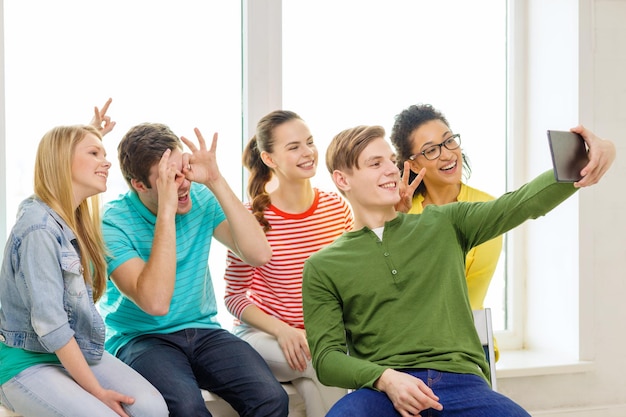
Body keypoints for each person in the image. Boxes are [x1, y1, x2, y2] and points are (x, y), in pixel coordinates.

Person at [302, 124, 615, 417]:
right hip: (381, 392)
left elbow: (520, 204)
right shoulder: (323, 265)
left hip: (462, 385)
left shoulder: (442, 223)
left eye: (392, 160)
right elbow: (327, 359)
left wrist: (586, 159)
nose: (390, 170)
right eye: (375, 163)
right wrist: (385, 378)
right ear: (343, 180)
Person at [97, 122, 289, 417]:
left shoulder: (200, 197)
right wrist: (167, 211)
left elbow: (259, 254)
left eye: (183, 170)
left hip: (204, 329)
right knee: (187, 407)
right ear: (140, 185)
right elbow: (155, 303)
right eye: (169, 178)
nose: (184, 183)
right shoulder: (112, 222)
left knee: (271, 398)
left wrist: (215, 180)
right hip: (140, 338)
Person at [0, 116, 168, 416]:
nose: (106, 162)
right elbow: (52, 328)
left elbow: (65, 158)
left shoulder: (69, 219)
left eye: (103, 154)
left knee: (153, 409)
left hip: (72, 349)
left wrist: (90, 137)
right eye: (94, 153)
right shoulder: (38, 229)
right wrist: (97, 392)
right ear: (63, 161)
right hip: (26, 359)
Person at [224, 110, 354, 417]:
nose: (308, 152)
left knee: (311, 383)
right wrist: (283, 330)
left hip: (317, 338)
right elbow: (234, 297)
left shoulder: (337, 208)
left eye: (309, 142)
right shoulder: (250, 219)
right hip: (264, 337)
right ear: (269, 159)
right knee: (321, 361)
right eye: (294, 147)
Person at [389, 104, 502, 314]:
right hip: (409, 339)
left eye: (449, 141)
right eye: (431, 150)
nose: (447, 154)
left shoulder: (486, 208)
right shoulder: (401, 213)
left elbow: (468, 294)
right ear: (412, 165)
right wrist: (392, 221)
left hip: (469, 336)